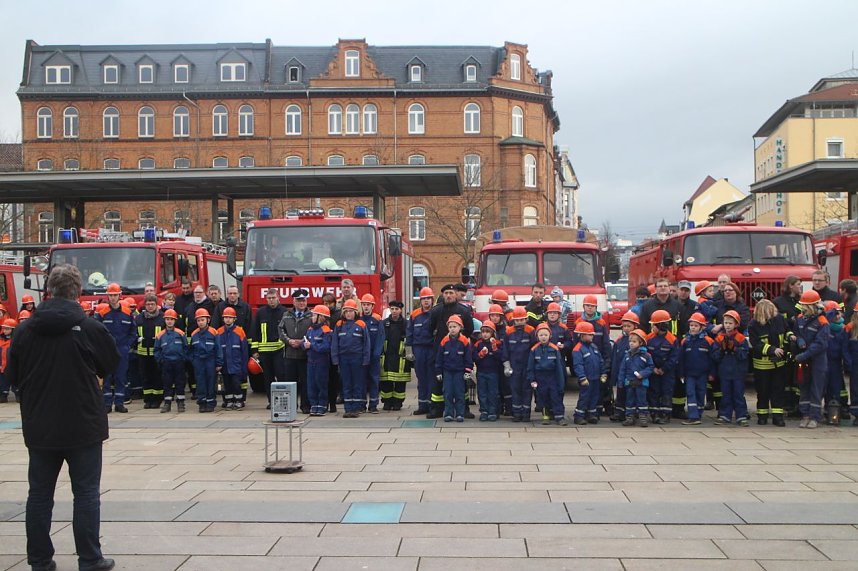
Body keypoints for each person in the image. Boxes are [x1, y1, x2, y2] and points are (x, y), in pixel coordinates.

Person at [7, 263, 120, 571]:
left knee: (39, 495)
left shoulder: (24, 330)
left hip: (40, 425)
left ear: (48, 291)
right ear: (77, 292)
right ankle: (89, 558)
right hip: (83, 424)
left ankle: (40, 560)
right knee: (85, 494)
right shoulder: (90, 327)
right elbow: (110, 362)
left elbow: (12, 375)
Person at [426, 284, 474, 418]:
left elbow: (469, 329)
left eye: (451, 293)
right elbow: (430, 329)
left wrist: (461, 341)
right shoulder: (436, 310)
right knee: (438, 382)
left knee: (461, 383)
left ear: (456, 294)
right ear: (442, 295)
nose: (448, 295)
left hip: (459, 352)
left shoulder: (463, 311)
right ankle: (437, 409)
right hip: (441, 351)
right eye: (446, 293)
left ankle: (464, 409)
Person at [95, 283, 136, 413]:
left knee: (121, 377)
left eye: (115, 295)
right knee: (107, 377)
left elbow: (133, 332)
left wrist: (128, 344)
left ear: (120, 295)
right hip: (107, 351)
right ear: (107, 296)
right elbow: (97, 332)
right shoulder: (102, 313)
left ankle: (119, 403)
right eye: (110, 295)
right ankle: (107, 404)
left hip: (122, 349)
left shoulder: (127, 313)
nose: (112, 298)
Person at [792, 290, 830, 429]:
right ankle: (805, 415)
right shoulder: (800, 318)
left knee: (816, 388)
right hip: (805, 358)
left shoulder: (822, 322)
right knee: (804, 387)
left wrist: (805, 354)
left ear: (812, 306)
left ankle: (814, 417)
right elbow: (797, 332)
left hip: (817, 360)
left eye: (804, 306)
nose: (802, 309)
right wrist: (800, 340)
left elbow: (821, 344)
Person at [749, 299, 789, 427]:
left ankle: (778, 417)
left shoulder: (779, 320)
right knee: (763, 391)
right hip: (762, 365)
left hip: (779, 364)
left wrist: (791, 337)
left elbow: (787, 331)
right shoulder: (754, 325)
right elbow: (756, 344)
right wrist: (772, 350)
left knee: (778, 391)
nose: (773, 313)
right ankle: (762, 416)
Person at [332, 299, 370, 418]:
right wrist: (335, 359)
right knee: (346, 383)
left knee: (357, 383)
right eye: (346, 311)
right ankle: (348, 408)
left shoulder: (361, 324)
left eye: (351, 311)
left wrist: (365, 359)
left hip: (357, 359)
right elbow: (334, 343)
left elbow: (366, 343)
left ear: (356, 312)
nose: (349, 314)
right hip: (344, 359)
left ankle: (357, 408)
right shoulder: (339, 325)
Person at [712, 310, 751, 426]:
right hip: (725, 372)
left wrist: (735, 349)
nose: (727, 325)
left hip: (738, 372)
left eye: (730, 323)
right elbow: (714, 356)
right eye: (725, 323)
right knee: (726, 394)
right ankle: (725, 415)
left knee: (738, 394)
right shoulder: (719, 338)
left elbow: (744, 355)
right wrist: (722, 350)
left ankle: (741, 416)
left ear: (736, 324)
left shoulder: (741, 338)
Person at [251, 289, 287, 409]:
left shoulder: (284, 312)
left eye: (273, 298)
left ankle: (282, 401)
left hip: (279, 350)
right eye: (269, 298)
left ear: (278, 298)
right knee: (268, 378)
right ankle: (271, 402)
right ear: (266, 299)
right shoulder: (261, 312)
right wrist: (255, 351)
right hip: (264, 352)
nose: (271, 300)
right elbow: (255, 331)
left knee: (281, 376)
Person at [279, 289, 312, 414]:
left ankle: (306, 406)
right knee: (290, 383)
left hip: (305, 355)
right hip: (290, 355)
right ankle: (291, 407)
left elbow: (313, 331)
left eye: (303, 300)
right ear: (293, 302)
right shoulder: (286, 315)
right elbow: (281, 331)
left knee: (305, 382)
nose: (301, 303)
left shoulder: (311, 315)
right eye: (299, 301)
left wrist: (303, 343)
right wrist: (289, 341)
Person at [678, 312, 714, 425]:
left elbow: (712, 359)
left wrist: (712, 373)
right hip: (689, 374)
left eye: (695, 325)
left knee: (700, 393)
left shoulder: (708, 341)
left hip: (703, 374)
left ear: (702, 327)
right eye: (691, 325)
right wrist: (681, 373)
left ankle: (698, 414)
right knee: (690, 393)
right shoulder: (685, 341)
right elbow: (681, 359)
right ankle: (693, 416)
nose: (693, 328)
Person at [436, 314, 473, 422]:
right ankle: (448, 413)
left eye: (454, 326)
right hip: (447, 372)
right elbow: (439, 357)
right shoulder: (444, 341)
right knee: (447, 393)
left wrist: (468, 370)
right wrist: (438, 371)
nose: (452, 329)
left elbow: (468, 357)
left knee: (459, 393)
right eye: (450, 327)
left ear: (460, 327)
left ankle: (460, 414)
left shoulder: (464, 341)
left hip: (459, 372)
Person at [529, 322, 568, 425]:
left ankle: (559, 417)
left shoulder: (555, 349)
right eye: (541, 335)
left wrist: (561, 382)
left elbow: (559, 367)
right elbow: (530, 366)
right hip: (540, 377)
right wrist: (532, 379)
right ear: (537, 336)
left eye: (545, 335)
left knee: (556, 396)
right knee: (543, 397)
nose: (543, 337)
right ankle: (546, 416)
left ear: (550, 336)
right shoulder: (534, 350)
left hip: (552, 377)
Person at [405, 287, 436, 415]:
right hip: (419, 349)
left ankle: (432, 405)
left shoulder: (435, 313)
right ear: (420, 301)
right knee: (421, 378)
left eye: (428, 298)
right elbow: (409, 333)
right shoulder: (415, 315)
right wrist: (409, 351)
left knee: (432, 378)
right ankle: (422, 405)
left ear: (432, 300)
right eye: (424, 299)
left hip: (432, 349)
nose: (426, 301)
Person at [646, 309, 679, 424]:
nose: (652, 327)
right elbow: (646, 355)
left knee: (667, 392)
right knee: (653, 392)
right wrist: (653, 368)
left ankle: (665, 414)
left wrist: (664, 369)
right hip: (653, 372)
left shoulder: (672, 340)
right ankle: (654, 413)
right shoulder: (649, 338)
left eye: (654, 325)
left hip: (667, 373)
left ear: (661, 325)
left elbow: (674, 357)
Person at [473, 320, 510, 422]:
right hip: (481, 372)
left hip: (493, 373)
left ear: (492, 333)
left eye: (487, 332)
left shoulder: (497, 343)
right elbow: (474, 357)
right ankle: (484, 411)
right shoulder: (478, 344)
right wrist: (480, 355)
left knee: (493, 393)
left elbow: (502, 357)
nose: (485, 334)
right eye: (483, 332)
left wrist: (495, 349)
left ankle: (493, 411)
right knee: (482, 393)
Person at [572, 321, 607, 424]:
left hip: (595, 378)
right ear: (582, 335)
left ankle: (591, 414)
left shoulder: (593, 347)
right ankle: (579, 416)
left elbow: (600, 361)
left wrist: (603, 373)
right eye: (590, 334)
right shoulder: (578, 349)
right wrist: (582, 378)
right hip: (586, 379)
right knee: (584, 397)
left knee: (594, 396)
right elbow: (578, 365)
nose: (592, 336)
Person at [154, 309, 188, 413]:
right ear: (164, 320)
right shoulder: (160, 335)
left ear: (175, 321)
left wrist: (183, 359)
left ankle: (181, 403)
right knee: (167, 383)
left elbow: (186, 347)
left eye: (171, 319)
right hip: (166, 363)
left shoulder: (180, 334)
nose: (169, 321)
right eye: (167, 319)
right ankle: (167, 403)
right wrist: (161, 360)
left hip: (179, 362)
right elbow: (157, 350)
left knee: (180, 383)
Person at [135, 295, 166, 409]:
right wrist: (136, 339)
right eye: (148, 304)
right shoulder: (139, 318)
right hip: (142, 353)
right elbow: (133, 333)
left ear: (156, 304)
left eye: (152, 304)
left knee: (157, 376)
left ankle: (157, 399)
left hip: (157, 353)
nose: (150, 306)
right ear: (145, 305)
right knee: (145, 377)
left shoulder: (162, 318)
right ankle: (148, 399)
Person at [505, 306, 535, 422]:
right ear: (513, 320)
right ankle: (517, 414)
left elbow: (534, 348)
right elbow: (505, 350)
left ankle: (526, 414)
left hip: (527, 366)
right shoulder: (509, 332)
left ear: (526, 319)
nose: (519, 322)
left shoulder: (531, 331)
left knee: (527, 390)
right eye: (517, 320)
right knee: (515, 389)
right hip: (514, 367)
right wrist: (506, 365)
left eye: (522, 320)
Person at [189, 308, 222, 413]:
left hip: (210, 360)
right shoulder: (194, 334)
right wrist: (193, 360)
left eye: (202, 320)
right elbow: (190, 350)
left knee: (211, 382)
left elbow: (218, 349)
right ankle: (202, 403)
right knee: (200, 383)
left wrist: (219, 363)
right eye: (198, 320)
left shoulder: (214, 332)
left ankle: (211, 403)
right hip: (198, 361)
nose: (200, 322)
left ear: (208, 320)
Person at [619, 329, 654, 427]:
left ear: (641, 343)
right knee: (629, 401)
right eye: (630, 341)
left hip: (641, 382)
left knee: (642, 400)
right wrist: (620, 381)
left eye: (634, 341)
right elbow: (622, 369)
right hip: (629, 382)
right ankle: (629, 418)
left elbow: (651, 367)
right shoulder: (627, 355)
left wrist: (642, 374)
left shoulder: (646, 355)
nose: (631, 343)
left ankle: (643, 418)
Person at [216, 306, 249, 410]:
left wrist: (244, 367)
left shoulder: (240, 332)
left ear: (234, 319)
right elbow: (217, 350)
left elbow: (244, 351)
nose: (228, 319)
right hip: (224, 366)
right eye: (226, 317)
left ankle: (239, 401)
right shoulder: (219, 332)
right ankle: (228, 401)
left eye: (230, 317)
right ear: (223, 319)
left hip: (236, 365)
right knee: (226, 385)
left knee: (236, 384)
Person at [609, 311, 639, 423]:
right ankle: (619, 413)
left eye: (629, 326)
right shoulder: (619, 341)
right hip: (621, 374)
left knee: (631, 395)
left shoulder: (638, 341)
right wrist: (614, 376)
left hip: (632, 375)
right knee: (620, 393)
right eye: (624, 326)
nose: (626, 328)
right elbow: (615, 359)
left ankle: (631, 414)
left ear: (635, 326)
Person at [380, 301, 410, 411]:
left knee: (400, 382)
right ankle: (387, 402)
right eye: (392, 309)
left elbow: (409, 339)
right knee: (386, 381)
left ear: (400, 310)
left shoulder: (406, 324)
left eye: (396, 309)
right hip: (387, 357)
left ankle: (398, 403)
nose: (394, 311)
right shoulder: (384, 323)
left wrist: (409, 354)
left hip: (400, 357)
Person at [304, 304, 333, 416]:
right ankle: (314, 405)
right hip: (311, 362)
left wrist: (311, 345)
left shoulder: (326, 330)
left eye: (314, 315)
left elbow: (326, 347)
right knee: (311, 384)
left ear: (320, 317)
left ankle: (322, 405)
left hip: (322, 362)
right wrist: (304, 345)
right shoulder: (310, 329)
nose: (312, 317)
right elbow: (305, 341)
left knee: (321, 384)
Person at [359, 293, 385, 413]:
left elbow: (381, 338)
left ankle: (373, 405)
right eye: (364, 304)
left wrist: (376, 354)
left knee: (374, 380)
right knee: (362, 380)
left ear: (372, 306)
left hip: (373, 356)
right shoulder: (358, 319)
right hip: (361, 357)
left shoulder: (378, 319)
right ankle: (362, 404)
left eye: (368, 305)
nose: (366, 307)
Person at [823, 301, 847, 424]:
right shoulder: (824, 328)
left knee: (836, 388)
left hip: (836, 364)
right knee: (823, 388)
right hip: (823, 362)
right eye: (834, 313)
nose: (838, 316)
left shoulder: (844, 329)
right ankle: (826, 410)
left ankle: (835, 412)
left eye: (839, 313)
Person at [322, 293, 341, 413]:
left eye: (329, 303)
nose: (327, 305)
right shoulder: (321, 315)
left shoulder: (338, 315)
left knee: (334, 379)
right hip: (323, 352)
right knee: (323, 379)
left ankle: (333, 404)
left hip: (334, 351)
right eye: (325, 303)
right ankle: (325, 403)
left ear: (334, 303)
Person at [843, 304, 858, 426]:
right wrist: (848, 361)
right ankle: (856, 414)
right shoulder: (850, 328)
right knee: (855, 388)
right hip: (855, 364)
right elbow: (845, 347)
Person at [0, 319, 14, 403]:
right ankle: (3, 395)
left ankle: (18, 394)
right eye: (4, 328)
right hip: (2, 367)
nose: (5, 330)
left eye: (7, 329)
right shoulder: (0, 340)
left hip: (12, 367)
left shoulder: (15, 340)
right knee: (2, 383)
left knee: (16, 383)